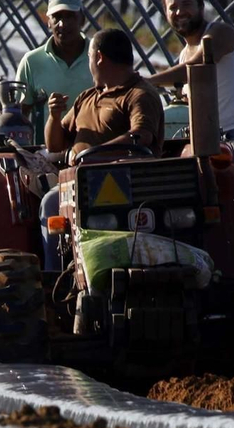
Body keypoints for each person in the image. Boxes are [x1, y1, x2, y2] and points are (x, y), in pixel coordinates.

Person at [39, 28, 165, 267]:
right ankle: (54, 276)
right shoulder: (86, 98)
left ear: (98, 57)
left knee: (50, 203)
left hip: (126, 187)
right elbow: (54, 144)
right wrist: (54, 116)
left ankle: (56, 272)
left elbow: (142, 135)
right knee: (50, 203)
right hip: (77, 185)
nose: (89, 65)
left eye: (88, 58)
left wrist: (92, 157)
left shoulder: (139, 95)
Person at [147, 0, 234, 144]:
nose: (180, 11)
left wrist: (146, 81)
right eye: (173, 8)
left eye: (186, 4)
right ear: (166, 14)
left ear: (201, 7)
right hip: (207, 136)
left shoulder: (220, 33)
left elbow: (194, 68)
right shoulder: (184, 54)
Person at [14, 0, 94, 136]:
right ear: (48, 22)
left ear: (82, 20)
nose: (63, 24)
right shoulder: (32, 62)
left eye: (70, 17)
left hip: (91, 152)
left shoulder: (98, 58)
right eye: (56, 18)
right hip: (44, 154)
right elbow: (20, 115)